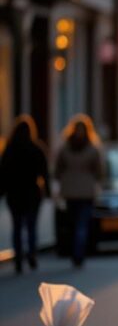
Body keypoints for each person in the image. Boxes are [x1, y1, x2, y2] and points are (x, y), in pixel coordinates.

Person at [0, 115, 49, 274]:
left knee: (17, 227)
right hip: (32, 194)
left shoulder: (9, 149)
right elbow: (44, 172)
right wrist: (47, 191)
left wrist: (2, 192)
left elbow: (3, 173)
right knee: (31, 226)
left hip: (14, 194)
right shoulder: (36, 148)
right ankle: (32, 254)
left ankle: (19, 260)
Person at [54, 114, 104, 267]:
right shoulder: (92, 149)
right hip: (86, 191)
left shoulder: (65, 148)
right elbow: (99, 171)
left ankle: (75, 252)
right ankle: (79, 254)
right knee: (82, 225)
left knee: (73, 223)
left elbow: (57, 170)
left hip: (70, 192)